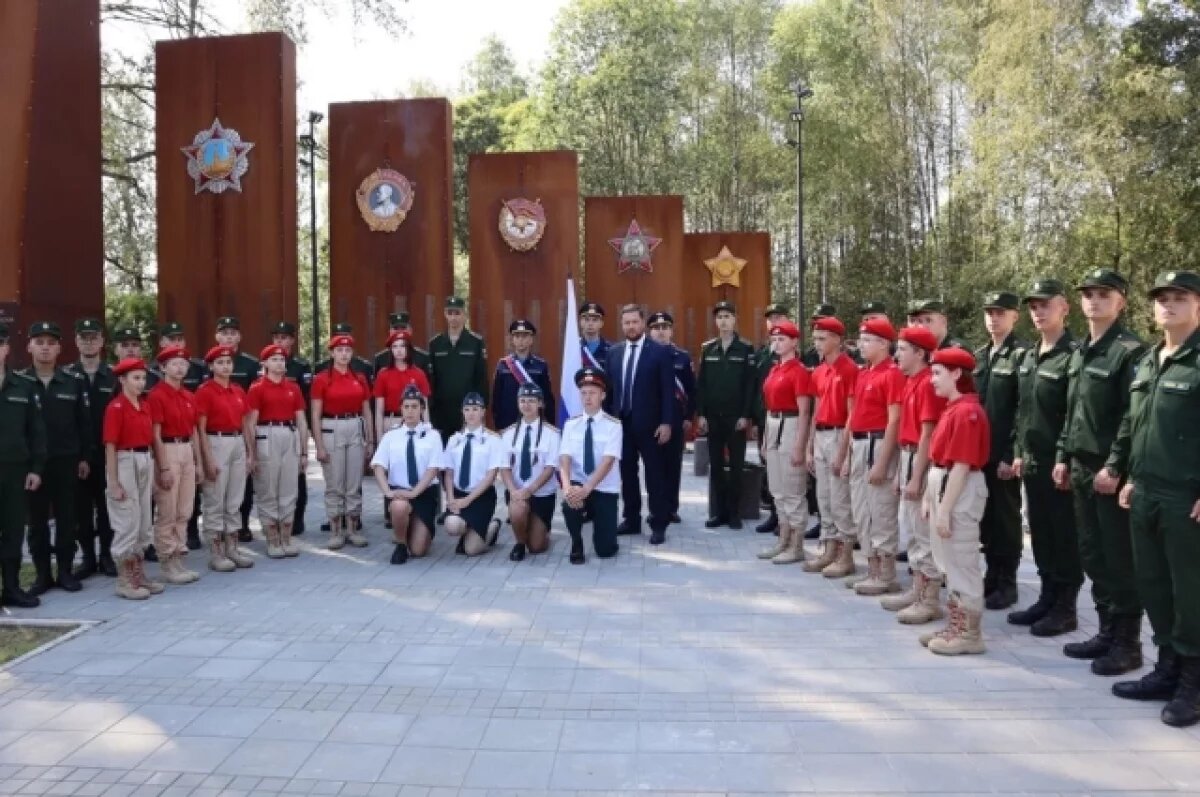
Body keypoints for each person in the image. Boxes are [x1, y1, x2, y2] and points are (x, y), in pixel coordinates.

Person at [1110, 270, 1200, 728]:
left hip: (1186, 495)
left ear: (1197, 305)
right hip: (1144, 490)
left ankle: (1193, 681)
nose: (1168, 305)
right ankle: (1166, 667)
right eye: (1162, 298)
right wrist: (1126, 473)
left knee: (1190, 590)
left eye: (1179, 298)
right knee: (1154, 584)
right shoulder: (1149, 360)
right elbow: (1133, 423)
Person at [1052, 268, 1147, 675]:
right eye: (1088, 293)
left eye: (1104, 294)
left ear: (1121, 301)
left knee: (1117, 559)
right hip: (1079, 466)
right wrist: (1061, 455)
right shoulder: (1079, 351)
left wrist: (1114, 465)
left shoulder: (1129, 351)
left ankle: (1128, 644)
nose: (1094, 300)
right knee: (1092, 553)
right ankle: (1107, 631)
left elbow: (1132, 416)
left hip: (1108, 471)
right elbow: (1070, 411)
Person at [1009, 279, 1082, 636]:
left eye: (1046, 305)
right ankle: (1047, 597)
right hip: (1033, 461)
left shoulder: (1074, 355)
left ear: (1064, 307)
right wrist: (1020, 450)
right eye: (1034, 306)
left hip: (1059, 464)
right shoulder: (1029, 355)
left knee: (1063, 535)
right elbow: (1023, 410)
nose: (1039, 312)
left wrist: (1063, 457)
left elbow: (1074, 413)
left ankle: (1066, 606)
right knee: (1040, 533)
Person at [920, 347, 991, 655]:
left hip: (958, 490)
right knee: (947, 559)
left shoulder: (967, 412)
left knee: (962, 560)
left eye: (937, 373)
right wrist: (928, 497)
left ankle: (969, 634)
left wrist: (944, 511)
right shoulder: (953, 407)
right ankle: (956, 624)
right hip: (945, 483)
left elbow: (961, 465)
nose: (931, 380)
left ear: (957, 374)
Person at [879, 325, 946, 615]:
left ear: (920, 353)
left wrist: (916, 476)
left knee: (923, 531)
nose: (897, 355)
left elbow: (927, 434)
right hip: (909, 456)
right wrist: (901, 473)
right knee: (914, 531)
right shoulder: (912, 382)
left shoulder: (928, 384)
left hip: (921, 458)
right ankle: (918, 590)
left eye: (903, 349)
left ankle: (929, 598)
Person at [21, 321, 90, 595]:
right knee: (36, 523)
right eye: (39, 342)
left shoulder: (72, 381)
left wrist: (85, 457)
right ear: (29, 346)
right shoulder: (21, 383)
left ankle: (64, 572)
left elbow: (84, 424)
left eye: (51, 343)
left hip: (66, 461)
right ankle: (41, 576)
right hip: (33, 466)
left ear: (60, 348)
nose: (45, 348)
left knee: (66, 519)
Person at [604, 304, 676, 545]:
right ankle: (631, 519)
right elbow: (610, 391)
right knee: (627, 474)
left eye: (635, 322)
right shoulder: (614, 353)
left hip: (651, 426)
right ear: (622, 324)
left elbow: (668, 391)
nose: (631, 327)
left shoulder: (659, 352)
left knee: (655, 475)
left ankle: (658, 523)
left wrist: (666, 422)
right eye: (626, 323)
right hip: (621, 426)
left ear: (643, 323)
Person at [974, 291, 1028, 610]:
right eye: (990, 313)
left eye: (1001, 312)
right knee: (986, 518)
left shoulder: (1022, 354)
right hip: (981, 453)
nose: (994, 318)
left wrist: (1012, 452)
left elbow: (1024, 408)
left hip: (1004, 454)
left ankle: (1007, 581)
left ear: (1014, 317)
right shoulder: (982, 355)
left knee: (1006, 520)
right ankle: (991, 576)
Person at [845, 317, 905, 594]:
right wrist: (846, 454)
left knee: (880, 510)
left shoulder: (891, 373)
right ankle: (871, 567)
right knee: (861, 509)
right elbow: (854, 415)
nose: (861, 344)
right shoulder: (864, 372)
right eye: (861, 338)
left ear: (884, 344)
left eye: (868, 340)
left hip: (877, 443)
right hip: (859, 444)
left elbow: (894, 420)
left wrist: (882, 462)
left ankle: (886, 572)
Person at [803, 316, 860, 577]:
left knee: (839, 499)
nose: (817, 343)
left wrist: (843, 451)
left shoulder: (849, 369)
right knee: (823, 497)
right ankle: (828, 548)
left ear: (837, 339)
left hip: (839, 434)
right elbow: (816, 409)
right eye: (815, 338)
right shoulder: (818, 370)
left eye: (822, 338)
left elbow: (852, 414)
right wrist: (809, 445)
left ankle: (845, 553)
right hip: (822, 435)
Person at [754, 320, 813, 565]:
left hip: (791, 425)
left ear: (794, 342)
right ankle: (783, 539)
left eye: (782, 339)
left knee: (792, 488)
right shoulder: (774, 369)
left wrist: (800, 444)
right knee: (777, 489)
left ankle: (796, 543)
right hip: (773, 424)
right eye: (774, 340)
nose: (777, 344)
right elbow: (768, 407)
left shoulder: (799, 370)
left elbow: (804, 411)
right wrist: (766, 439)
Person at [146, 322, 208, 552]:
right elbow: (156, 434)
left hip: (187, 451)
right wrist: (162, 467)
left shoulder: (190, 396)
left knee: (185, 509)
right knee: (167, 510)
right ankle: (167, 557)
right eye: (174, 364)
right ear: (163, 367)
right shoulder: (156, 395)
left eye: (183, 363)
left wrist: (199, 463)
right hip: (168, 450)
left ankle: (179, 553)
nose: (180, 368)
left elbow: (193, 431)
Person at [104, 358, 162, 600]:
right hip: (124, 459)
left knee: (143, 519)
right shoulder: (116, 408)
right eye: (135, 378)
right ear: (122, 380)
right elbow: (110, 445)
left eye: (142, 378)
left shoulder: (145, 405)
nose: (140, 383)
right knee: (127, 518)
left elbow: (150, 439)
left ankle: (138, 575)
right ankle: (124, 580)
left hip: (143, 458)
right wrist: (114, 481)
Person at [696, 301, 755, 530]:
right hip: (713, 417)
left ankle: (734, 513)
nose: (723, 321)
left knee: (737, 467)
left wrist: (745, 415)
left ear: (735, 319)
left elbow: (750, 385)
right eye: (720, 316)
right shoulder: (707, 348)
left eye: (728, 316)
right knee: (717, 466)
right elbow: (701, 385)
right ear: (715, 321)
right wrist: (701, 414)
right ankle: (718, 513)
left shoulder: (745, 348)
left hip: (735, 418)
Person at [195, 345, 255, 572]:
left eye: (228, 362)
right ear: (211, 366)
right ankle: (216, 552)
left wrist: (251, 452)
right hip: (216, 441)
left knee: (234, 498)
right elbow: (200, 428)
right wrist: (207, 458)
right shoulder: (205, 391)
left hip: (237, 441)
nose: (225, 366)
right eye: (219, 363)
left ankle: (233, 547)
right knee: (215, 499)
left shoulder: (238, 390)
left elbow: (246, 423)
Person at [311, 333, 374, 549]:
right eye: (339, 350)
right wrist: (318, 445)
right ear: (332, 353)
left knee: (354, 482)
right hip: (332, 427)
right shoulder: (322, 378)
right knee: (335, 482)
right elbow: (315, 414)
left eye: (348, 350)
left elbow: (367, 410)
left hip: (355, 426)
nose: (344, 354)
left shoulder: (359, 378)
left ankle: (353, 529)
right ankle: (336, 530)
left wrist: (371, 440)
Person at [67, 318, 118, 579]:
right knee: (81, 511)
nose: (88, 342)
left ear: (101, 341)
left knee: (107, 509)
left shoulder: (113, 375)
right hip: (77, 457)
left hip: (106, 454)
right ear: (76, 341)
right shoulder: (65, 376)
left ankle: (107, 556)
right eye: (83, 337)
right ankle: (87, 558)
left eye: (93, 337)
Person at [0, 324, 47, 609]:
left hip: (15, 471)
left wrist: (36, 468)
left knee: (14, 531)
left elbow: (36, 432)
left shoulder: (23, 386)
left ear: (6, 348)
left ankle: (12, 588)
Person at [247, 344, 309, 559]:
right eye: (273, 359)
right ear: (264, 364)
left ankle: (286, 536)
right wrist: (252, 453)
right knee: (268, 487)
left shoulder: (293, 388)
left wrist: (303, 451)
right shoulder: (257, 388)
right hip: (267, 434)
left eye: (282, 360)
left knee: (289, 488)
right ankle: (272, 538)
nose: (279, 363)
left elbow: (301, 419)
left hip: (289, 434)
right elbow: (250, 423)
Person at [371, 385, 443, 564]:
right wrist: (387, 491)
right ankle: (401, 544)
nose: (410, 411)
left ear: (422, 409)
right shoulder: (391, 436)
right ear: (400, 409)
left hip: (424, 493)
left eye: (414, 406)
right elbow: (378, 466)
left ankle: (415, 529)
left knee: (418, 551)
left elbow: (433, 469)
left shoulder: (432, 436)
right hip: (399, 492)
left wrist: (414, 493)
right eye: (406, 406)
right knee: (399, 507)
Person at [559, 367, 622, 564]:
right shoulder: (571, 424)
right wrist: (568, 487)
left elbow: (608, 461)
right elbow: (565, 459)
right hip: (579, 484)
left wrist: (587, 489)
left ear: (603, 395)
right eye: (584, 393)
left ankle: (600, 521)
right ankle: (577, 542)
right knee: (569, 503)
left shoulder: (614, 425)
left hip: (604, 488)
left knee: (605, 550)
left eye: (593, 393)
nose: (588, 397)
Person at [500, 383, 561, 561]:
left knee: (536, 547)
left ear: (540, 404)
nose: (526, 405)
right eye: (523, 400)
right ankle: (519, 543)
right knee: (518, 510)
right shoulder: (508, 434)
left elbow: (550, 468)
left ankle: (539, 531)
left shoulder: (552, 434)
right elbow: (504, 467)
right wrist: (513, 491)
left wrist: (530, 489)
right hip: (517, 491)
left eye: (531, 401)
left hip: (542, 494)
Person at [214, 317, 261, 542]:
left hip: (242, 428)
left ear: (239, 337)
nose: (229, 337)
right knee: (217, 486)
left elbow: (252, 406)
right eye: (224, 333)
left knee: (242, 484)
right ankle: (216, 533)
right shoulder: (207, 363)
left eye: (233, 333)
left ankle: (241, 526)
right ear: (217, 337)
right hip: (216, 434)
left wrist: (251, 442)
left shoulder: (250, 364)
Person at [440, 393, 504, 556]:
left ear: (483, 412)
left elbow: (491, 476)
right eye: (467, 409)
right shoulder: (454, 439)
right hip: (459, 494)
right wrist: (450, 498)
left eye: (475, 409)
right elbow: (448, 473)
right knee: (452, 526)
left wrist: (468, 500)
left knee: (472, 550)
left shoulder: (493, 440)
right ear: (462, 412)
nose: (471, 413)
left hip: (481, 496)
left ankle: (491, 528)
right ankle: (471, 531)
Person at [647, 311, 695, 524]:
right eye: (656, 328)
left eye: (665, 327)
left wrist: (688, 416)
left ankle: (671, 508)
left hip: (675, 419)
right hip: (650, 419)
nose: (661, 331)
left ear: (671, 331)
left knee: (673, 466)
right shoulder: (644, 355)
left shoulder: (682, 357)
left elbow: (692, 390)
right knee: (653, 467)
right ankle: (655, 509)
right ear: (650, 332)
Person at [271, 321, 313, 536]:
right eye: (277, 337)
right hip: (270, 430)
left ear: (292, 340)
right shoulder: (265, 366)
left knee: (297, 476)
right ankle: (274, 521)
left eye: (285, 337)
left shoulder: (300, 367)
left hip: (294, 426)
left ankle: (296, 520)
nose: (280, 340)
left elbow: (307, 397)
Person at [428, 297, 488, 442]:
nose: (453, 317)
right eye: (450, 313)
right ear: (445, 314)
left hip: (469, 410)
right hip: (442, 412)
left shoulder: (476, 342)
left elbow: (481, 379)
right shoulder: (435, 343)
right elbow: (431, 379)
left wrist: (481, 408)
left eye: (457, 313)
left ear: (464, 315)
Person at [753, 303, 789, 534]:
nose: (774, 321)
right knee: (770, 468)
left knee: (788, 473)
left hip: (788, 420)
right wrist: (755, 420)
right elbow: (755, 389)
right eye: (770, 318)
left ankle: (789, 519)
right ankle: (775, 514)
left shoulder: (797, 354)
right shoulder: (761, 355)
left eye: (779, 317)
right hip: (765, 419)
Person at [491, 319, 555, 431]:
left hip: (534, 423)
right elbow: (497, 398)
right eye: (517, 336)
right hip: (508, 423)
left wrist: (548, 422)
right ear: (512, 340)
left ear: (531, 340)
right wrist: (499, 423)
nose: (520, 340)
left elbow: (547, 398)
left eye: (524, 336)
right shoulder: (503, 365)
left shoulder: (541, 366)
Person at [374, 328, 432, 436]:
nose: (399, 350)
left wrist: (427, 429)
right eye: (395, 347)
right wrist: (379, 436)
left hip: (415, 422)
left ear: (408, 349)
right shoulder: (383, 374)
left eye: (402, 346)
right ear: (391, 350)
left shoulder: (419, 374)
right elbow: (379, 410)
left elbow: (425, 407)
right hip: (391, 421)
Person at [373, 312, 431, 376]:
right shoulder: (380, 359)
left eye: (403, 328)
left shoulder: (423, 358)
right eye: (396, 329)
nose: (399, 332)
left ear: (410, 331)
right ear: (390, 332)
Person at [578, 302, 612, 371]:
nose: (590, 323)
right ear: (581, 322)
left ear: (601, 323)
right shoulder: (575, 348)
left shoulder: (611, 350)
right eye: (587, 320)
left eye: (595, 320)